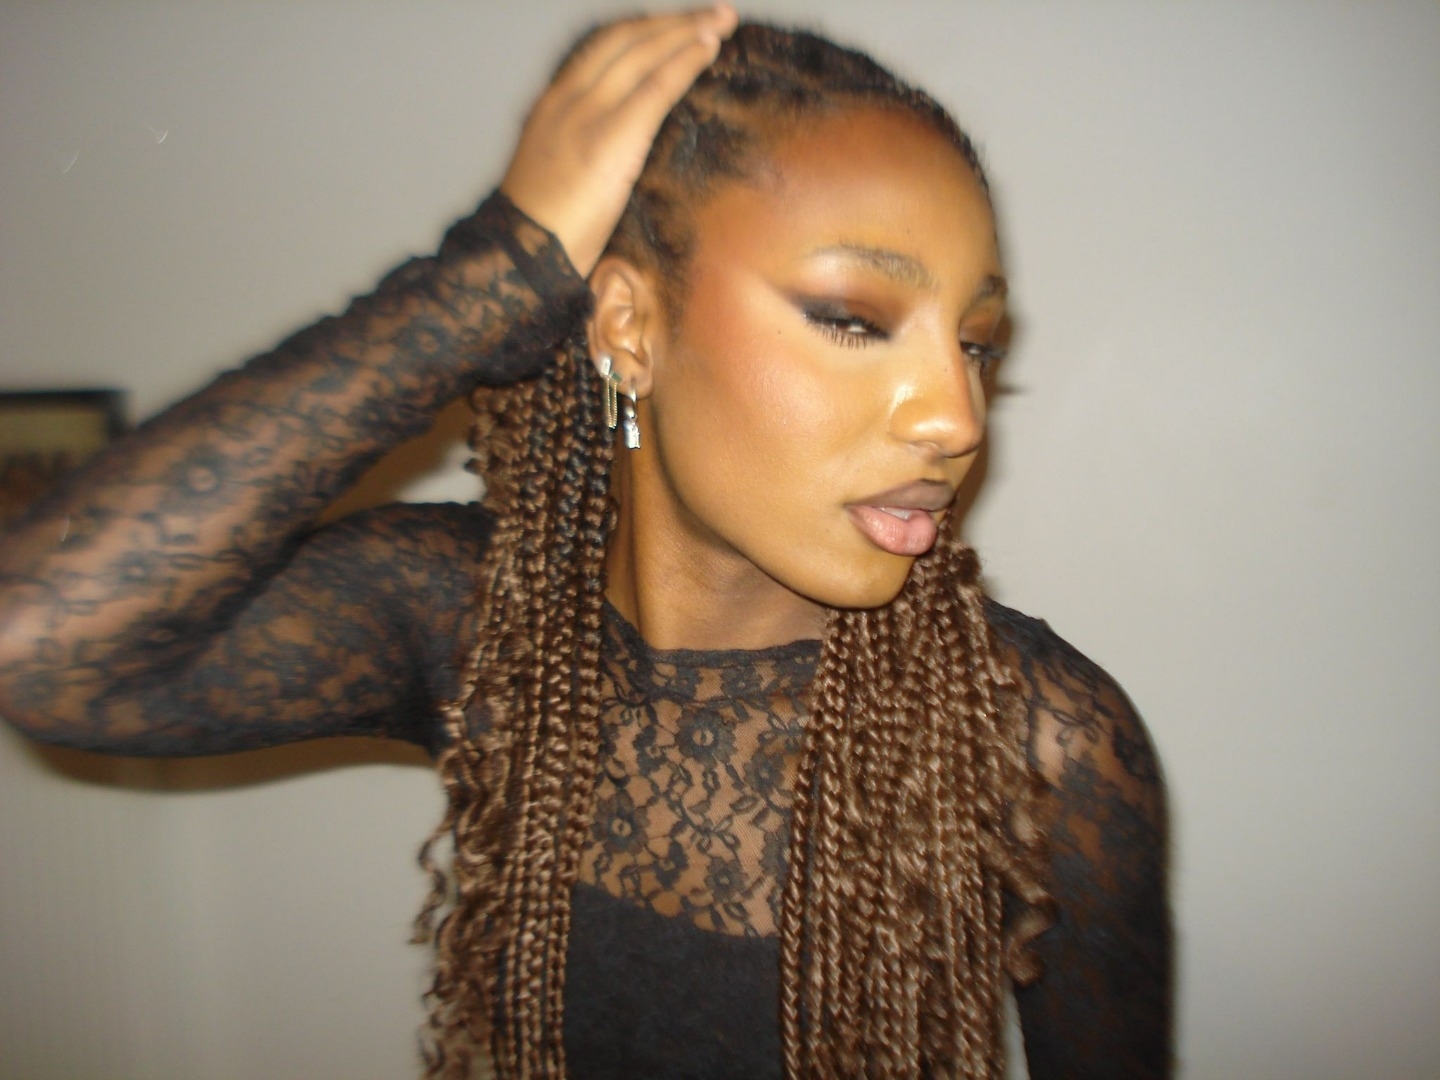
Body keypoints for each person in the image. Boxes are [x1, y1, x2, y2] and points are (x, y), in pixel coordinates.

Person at [0, 6, 1170, 1078]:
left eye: (975, 342)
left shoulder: (1040, 743)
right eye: (856, 320)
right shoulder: (483, 624)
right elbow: (43, 647)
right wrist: (487, 279)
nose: (956, 417)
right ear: (629, 328)